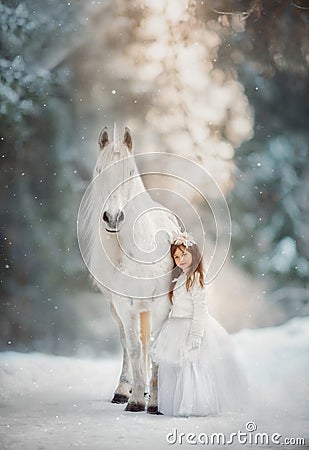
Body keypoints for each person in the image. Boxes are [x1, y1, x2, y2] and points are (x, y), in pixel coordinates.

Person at [150, 232, 250, 417]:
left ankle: (194, 404)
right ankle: (176, 403)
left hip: (191, 325)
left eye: (184, 254)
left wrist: (195, 335)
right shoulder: (179, 278)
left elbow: (200, 310)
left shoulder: (197, 278)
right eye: (176, 256)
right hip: (176, 326)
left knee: (192, 365)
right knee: (176, 366)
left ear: (194, 254)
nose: (180, 259)